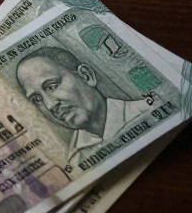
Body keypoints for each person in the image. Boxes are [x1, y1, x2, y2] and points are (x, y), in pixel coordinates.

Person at [15, 47, 152, 166]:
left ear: (86, 76)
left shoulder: (151, 111)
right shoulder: (74, 162)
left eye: (51, 86)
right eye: (37, 99)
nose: (49, 105)